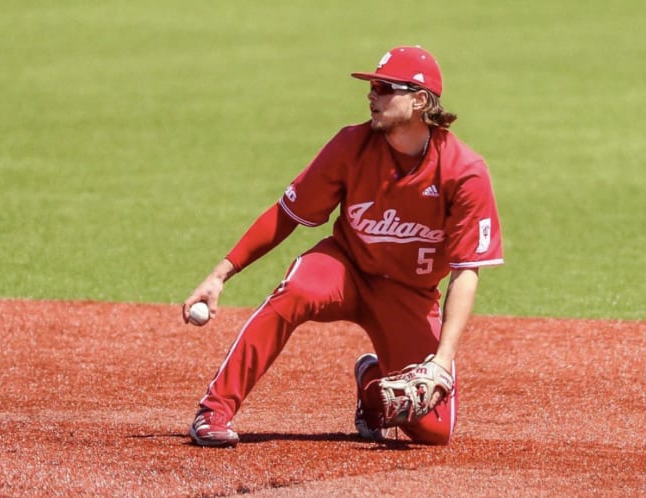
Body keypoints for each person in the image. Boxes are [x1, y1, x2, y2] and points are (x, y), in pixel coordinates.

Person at [182, 45, 504, 447]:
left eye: (385, 88)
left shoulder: (464, 172)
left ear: (420, 100)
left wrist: (441, 361)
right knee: (296, 291)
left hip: (410, 294)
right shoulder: (351, 145)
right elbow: (287, 213)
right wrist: (220, 274)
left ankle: (372, 383)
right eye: (372, 87)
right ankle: (215, 410)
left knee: (433, 432)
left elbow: (466, 271)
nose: (372, 95)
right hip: (345, 269)